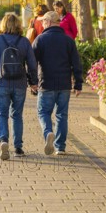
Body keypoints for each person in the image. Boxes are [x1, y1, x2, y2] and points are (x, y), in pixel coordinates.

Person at [0, 14, 38, 160]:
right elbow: (32, 65)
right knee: (17, 115)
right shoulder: (24, 41)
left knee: (1, 113)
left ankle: (3, 141)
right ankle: (18, 148)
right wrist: (33, 82)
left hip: (1, 82)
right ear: (19, 25)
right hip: (19, 83)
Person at [32, 11, 83, 155]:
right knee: (62, 115)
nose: (41, 24)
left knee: (43, 112)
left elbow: (32, 63)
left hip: (46, 83)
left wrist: (32, 82)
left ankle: (48, 132)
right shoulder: (68, 40)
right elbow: (76, 64)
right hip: (64, 84)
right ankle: (60, 147)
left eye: (43, 22)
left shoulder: (40, 40)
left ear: (48, 22)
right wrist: (78, 84)